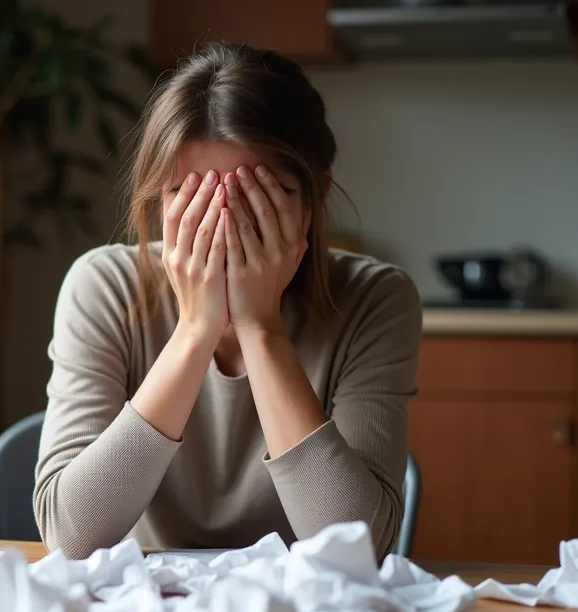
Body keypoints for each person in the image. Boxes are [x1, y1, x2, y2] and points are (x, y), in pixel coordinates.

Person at [32, 43, 421, 561]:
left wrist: (261, 329)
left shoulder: (374, 299)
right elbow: (71, 536)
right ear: (159, 199)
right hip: (149, 610)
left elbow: (357, 546)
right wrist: (195, 330)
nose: (221, 230)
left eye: (253, 200)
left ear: (313, 196)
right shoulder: (104, 286)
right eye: (191, 200)